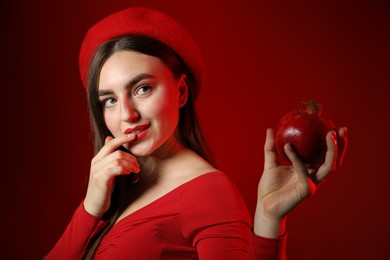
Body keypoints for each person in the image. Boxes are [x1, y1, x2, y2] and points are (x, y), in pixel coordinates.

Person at [46, 6, 348, 260]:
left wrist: (269, 219)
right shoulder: (118, 190)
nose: (127, 114)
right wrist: (90, 209)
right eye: (109, 100)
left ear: (181, 91)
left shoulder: (207, 193)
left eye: (142, 89)